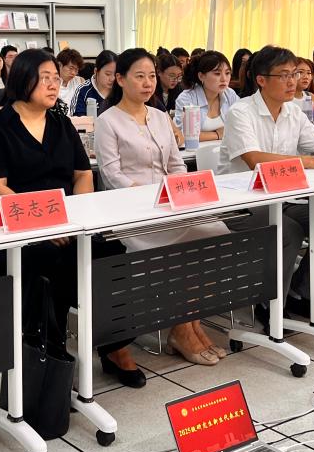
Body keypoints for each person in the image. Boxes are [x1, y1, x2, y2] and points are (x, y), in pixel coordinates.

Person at [0, 49, 145, 388]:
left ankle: (114, 345)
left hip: (67, 225)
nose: (54, 85)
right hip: (19, 234)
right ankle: (47, 360)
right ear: (23, 80)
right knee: (45, 264)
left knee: (111, 255)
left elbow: (83, 175)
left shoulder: (61, 123)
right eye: (45, 78)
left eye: (55, 78)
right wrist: (43, 224)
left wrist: (74, 218)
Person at [94, 48, 226, 365]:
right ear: (120, 79)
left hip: (171, 206)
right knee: (183, 250)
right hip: (133, 214)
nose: (148, 83)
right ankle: (181, 328)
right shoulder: (107, 121)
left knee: (218, 234)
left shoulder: (160, 116)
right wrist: (151, 198)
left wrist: (180, 193)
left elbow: (177, 164)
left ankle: (191, 321)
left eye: (151, 76)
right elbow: (112, 176)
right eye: (139, 76)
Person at [220, 46, 314, 326]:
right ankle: (268, 302)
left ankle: (299, 292)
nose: (293, 81)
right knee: (287, 231)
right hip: (243, 203)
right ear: (261, 80)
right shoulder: (240, 112)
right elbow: (255, 160)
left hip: (285, 197)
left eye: (295, 74)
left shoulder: (294, 111)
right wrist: (313, 162)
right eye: (284, 75)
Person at [173, 51, 239, 142]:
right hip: (193, 150)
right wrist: (217, 134)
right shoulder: (187, 98)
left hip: (224, 148)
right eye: (217, 74)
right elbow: (182, 135)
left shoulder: (230, 94)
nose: (224, 79)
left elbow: (241, 124)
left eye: (227, 73)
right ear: (201, 76)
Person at [69, 50, 117, 117]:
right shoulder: (83, 91)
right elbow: (78, 120)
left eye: (115, 74)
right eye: (107, 74)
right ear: (96, 71)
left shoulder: (120, 90)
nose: (112, 79)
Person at [151, 49, 184, 114]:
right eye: (172, 75)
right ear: (159, 72)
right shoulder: (151, 91)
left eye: (179, 76)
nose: (176, 80)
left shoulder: (179, 90)